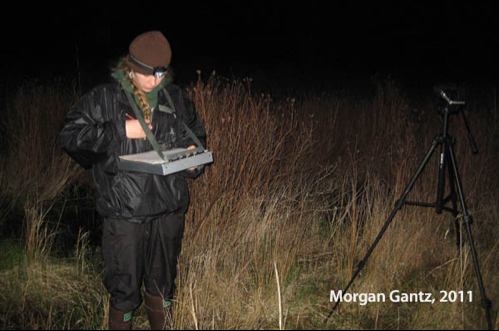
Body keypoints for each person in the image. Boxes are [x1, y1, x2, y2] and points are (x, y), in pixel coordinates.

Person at [60, 31, 207, 330]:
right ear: (131, 66)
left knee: (164, 286)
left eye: (160, 74)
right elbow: (70, 136)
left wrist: (193, 158)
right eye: (147, 74)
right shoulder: (105, 98)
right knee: (124, 291)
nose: (154, 82)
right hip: (125, 213)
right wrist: (120, 132)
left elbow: (196, 133)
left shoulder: (176, 97)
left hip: (169, 210)